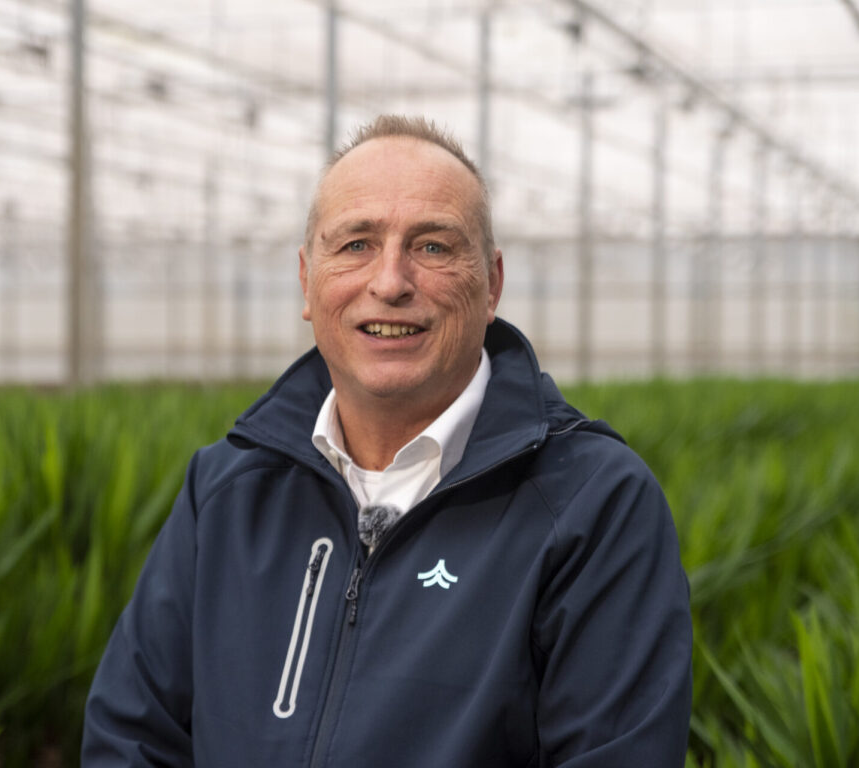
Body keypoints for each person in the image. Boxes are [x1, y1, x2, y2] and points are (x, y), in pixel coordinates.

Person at [83, 115, 692, 767]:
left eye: (432, 247)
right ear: (306, 281)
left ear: (491, 285)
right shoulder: (227, 491)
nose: (391, 281)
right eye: (355, 245)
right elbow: (131, 740)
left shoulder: (592, 504)